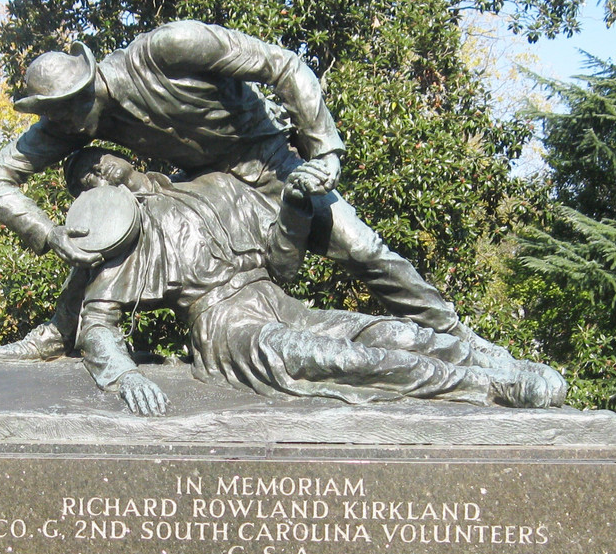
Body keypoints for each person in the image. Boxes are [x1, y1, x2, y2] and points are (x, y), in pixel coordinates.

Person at [0, 20, 509, 364]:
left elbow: (283, 65)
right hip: (213, 194)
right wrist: (50, 233)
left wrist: (323, 151)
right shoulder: (73, 123)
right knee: (114, 218)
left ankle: (461, 339)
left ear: (88, 84)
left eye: (65, 108)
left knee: (367, 252)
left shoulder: (169, 49)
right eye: (52, 114)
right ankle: (63, 330)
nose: (60, 125)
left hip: (272, 168)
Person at [62, 149, 563, 416]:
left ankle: (486, 357)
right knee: (343, 360)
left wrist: (296, 205)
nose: (95, 172)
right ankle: (490, 387)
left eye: (97, 160)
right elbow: (98, 324)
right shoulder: (128, 237)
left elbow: (282, 265)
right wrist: (124, 376)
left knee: (387, 333)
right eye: (83, 179)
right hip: (226, 325)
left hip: (274, 296)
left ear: (128, 158)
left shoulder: (216, 187)